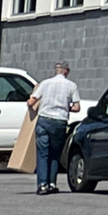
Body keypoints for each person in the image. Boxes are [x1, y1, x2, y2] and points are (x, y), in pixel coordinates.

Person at [28, 61, 81, 195]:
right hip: (60, 121)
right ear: (66, 71)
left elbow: (31, 101)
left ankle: (42, 185)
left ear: (56, 70)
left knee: (43, 153)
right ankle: (52, 183)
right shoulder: (71, 86)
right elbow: (77, 107)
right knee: (55, 154)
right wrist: (65, 106)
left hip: (44, 119)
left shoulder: (45, 83)